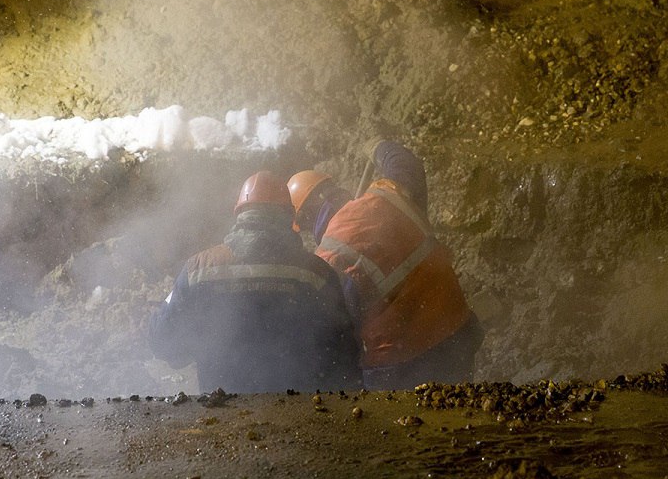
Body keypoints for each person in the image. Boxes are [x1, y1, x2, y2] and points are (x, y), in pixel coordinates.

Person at [288, 140, 483, 390]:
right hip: (458, 334)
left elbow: (341, 334)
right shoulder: (386, 197)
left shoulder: (330, 257)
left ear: (307, 217)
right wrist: (378, 146)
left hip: (401, 364)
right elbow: (406, 165)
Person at [149, 171, 360, 393]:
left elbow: (164, 342)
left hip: (223, 415)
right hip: (300, 415)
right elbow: (344, 355)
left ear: (239, 214)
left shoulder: (199, 270)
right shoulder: (317, 273)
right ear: (290, 216)